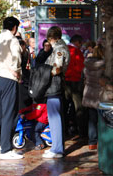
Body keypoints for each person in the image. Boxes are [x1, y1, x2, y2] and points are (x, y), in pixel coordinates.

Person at [0, 16, 23, 160]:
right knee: (9, 113)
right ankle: (6, 149)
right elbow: (16, 59)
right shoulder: (13, 40)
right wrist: (17, 74)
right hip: (8, 79)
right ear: (15, 27)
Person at [42, 26, 70, 159]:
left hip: (54, 85)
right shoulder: (62, 47)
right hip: (57, 85)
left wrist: (45, 75)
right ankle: (56, 146)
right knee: (56, 116)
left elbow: (57, 68)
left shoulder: (59, 49)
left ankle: (57, 149)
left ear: (52, 38)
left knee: (54, 117)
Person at [82, 44, 105, 150]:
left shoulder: (87, 65)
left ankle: (92, 142)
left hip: (89, 94)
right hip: (100, 94)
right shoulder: (104, 65)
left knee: (92, 119)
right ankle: (103, 140)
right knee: (102, 118)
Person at [65, 34, 85, 137]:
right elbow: (81, 67)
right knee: (78, 107)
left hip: (64, 82)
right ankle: (81, 131)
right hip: (75, 81)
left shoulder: (64, 50)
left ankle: (64, 129)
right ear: (77, 42)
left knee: (64, 106)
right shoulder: (77, 52)